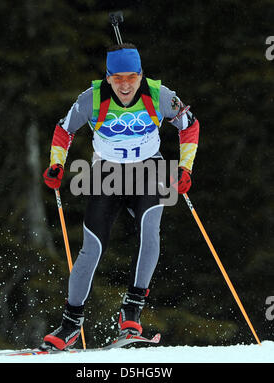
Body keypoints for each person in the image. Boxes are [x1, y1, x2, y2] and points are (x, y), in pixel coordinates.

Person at [41, 43, 199, 350]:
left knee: (150, 233)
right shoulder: (91, 99)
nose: (124, 85)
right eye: (117, 78)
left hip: (148, 171)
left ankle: (131, 310)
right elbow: (64, 131)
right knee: (92, 247)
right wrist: (56, 164)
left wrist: (185, 168)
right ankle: (70, 324)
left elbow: (189, 127)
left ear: (140, 75)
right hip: (106, 174)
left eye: (131, 77)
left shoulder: (160, 95)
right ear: (108, 77)